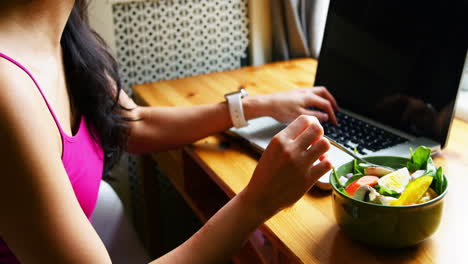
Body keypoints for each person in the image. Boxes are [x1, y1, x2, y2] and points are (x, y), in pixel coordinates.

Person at [0, 0, 339, 263]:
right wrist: (258, 201)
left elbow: (133, 124)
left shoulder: (62, 33)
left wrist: (253, 106)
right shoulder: (7, 89)